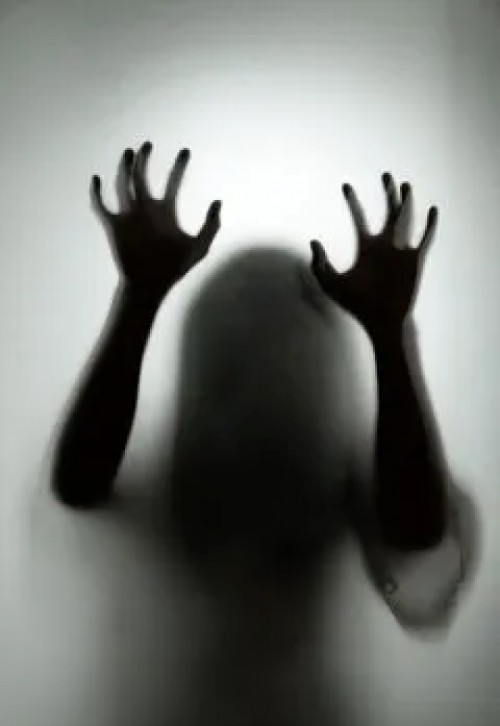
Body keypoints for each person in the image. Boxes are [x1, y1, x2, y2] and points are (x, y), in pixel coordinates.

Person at [51, 141, 447, 552]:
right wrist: (139, 296)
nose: (264, 372)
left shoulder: (351, 476)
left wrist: (389, 336)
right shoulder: (173, 477)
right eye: (239, 358)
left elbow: (417, 530)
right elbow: (77, 485)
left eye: (288, 351)